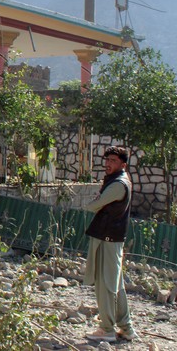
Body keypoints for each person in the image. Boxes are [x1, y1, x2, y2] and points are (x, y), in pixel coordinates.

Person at [83, 146, 137, 343]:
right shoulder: (117, 181)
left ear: (122, 165)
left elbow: (94, 205)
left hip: (108, 238)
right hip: (110, 238)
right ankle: (126, 327)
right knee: (116, 285)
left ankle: (107, 328)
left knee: (105, 284)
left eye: (113, 161)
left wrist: (91, 203)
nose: (108, 163)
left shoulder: (118, 184)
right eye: (107, 160)